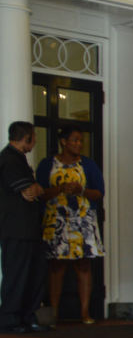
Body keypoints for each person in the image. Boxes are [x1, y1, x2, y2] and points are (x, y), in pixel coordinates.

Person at [36, 127, 105, 325]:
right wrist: (59, 189)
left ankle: (85, 312)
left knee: (83, 265)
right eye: (74, 140)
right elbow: (40, 192)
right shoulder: (48, 164)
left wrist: (81, 190)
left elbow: (99, 193)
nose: (78, 144)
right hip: (56, 220)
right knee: (56, 266)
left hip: (82, 220)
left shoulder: (88, 165)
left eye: (80, 141)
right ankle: (54, 313)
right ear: (63, 142)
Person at [0, 121, 50, 333]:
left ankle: (27, 316)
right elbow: (31, 190)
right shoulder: (9, 160)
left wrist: (37, 189)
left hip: (28, 229)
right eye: (34, 137)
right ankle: (11, 319)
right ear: (27, 138)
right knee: (17, 274)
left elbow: (35, 191)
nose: (35, 141)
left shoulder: (17, 158)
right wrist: (36, 188)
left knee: (34, 273)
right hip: (16, 229)